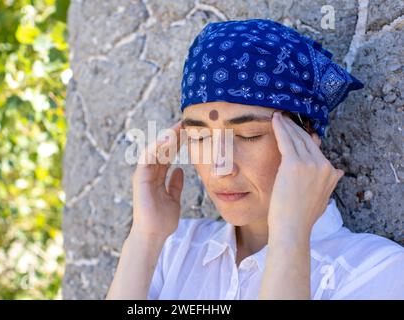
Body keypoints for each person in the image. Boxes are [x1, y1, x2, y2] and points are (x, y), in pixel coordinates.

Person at [106, 19, 404, 300]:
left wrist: (289, 237)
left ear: (307, 135)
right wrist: (144, 238)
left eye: (248, 135)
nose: (220, 167)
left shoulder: (375, 271)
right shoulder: (171, 250)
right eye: (199, 137)